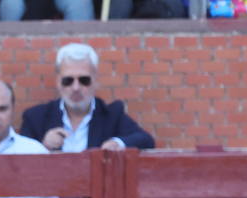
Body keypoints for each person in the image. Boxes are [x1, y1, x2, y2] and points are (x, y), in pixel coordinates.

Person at [19, 44, 155, 153]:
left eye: (84, 80)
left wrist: (117, 143)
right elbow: (18, 159)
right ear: (58, 82)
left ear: (95, 81)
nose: (76, 87)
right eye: (68, 80)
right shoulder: (36, 117)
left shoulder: (112, 115)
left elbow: (146, 140)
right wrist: (44, 147)